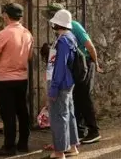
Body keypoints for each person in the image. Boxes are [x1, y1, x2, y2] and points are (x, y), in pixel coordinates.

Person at [45, 3, 103, 144]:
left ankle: (93, 130)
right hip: (76, 65)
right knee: (76, 98)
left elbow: (89, 45)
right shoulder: (63, 30)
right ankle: (79, 130)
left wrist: (96, 64)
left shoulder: (74, 26)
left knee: (84, 96)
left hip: (84, 64)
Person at [0, 3, 34, 156]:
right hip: (22, 78)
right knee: (22, 111)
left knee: (8, 114)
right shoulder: (28, 33)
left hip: (5, 80)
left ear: (5, 15)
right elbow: (29, 57)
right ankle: (23, 144)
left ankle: (9, 147)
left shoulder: (2, 34)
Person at [46, 9, 80, 159]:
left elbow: (59, 66)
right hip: (68, 81)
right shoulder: (71, 37)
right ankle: (72, 146)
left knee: (59, 116)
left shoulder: (63, 40)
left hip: (61, 83)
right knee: (69, 113)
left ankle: (60, 152)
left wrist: (53, 88)